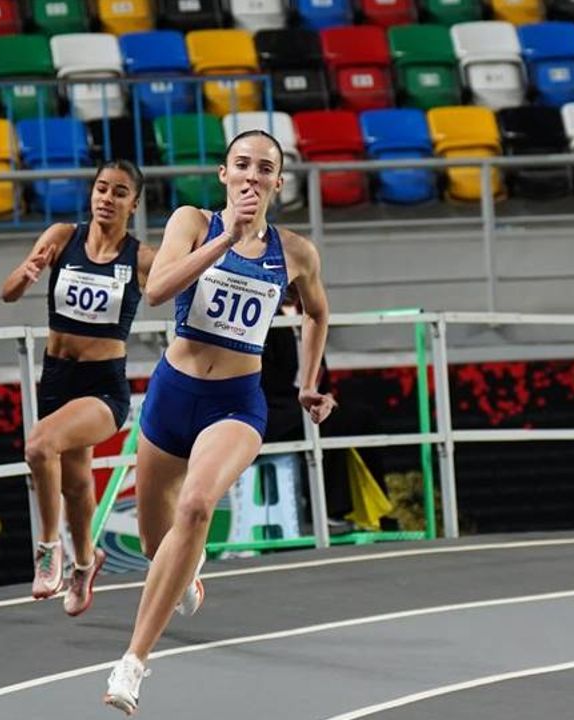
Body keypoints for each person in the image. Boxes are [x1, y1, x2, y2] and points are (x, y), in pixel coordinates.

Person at [103, 130, 335, 715]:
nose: (253, 175)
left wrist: (307, 382)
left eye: (265, 168)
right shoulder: (192, 222)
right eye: (242, 165)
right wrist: (227, 238)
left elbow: (317, 312)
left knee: (196, 506)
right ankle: (185, 571)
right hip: (171, 395)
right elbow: (157, 291)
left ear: (278, 181)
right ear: (224, 174)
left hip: (235, 403)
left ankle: (133, 662)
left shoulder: (296, 253)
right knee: (158, 546)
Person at [1, 159, 154, 617]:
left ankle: (49, 548)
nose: (107, 198)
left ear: (134, 204)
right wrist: (26, 274)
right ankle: (86, 564)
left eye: (120, 192)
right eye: (102, 188)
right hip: (56, 378)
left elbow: (182, 286)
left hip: (102, 387)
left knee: (39, 446)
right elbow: (8, 293)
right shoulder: (62, 237)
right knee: (76, 483)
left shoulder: (141, 259)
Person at [261, 285, 387, 535]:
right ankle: (330, 511)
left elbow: (321, 372)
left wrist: (326, 397)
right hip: (275, 411)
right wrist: (309, 401)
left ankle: (376, 508)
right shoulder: (266, 320)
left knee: (363, 417)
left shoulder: (310, 316)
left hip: (306, 403)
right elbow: (267, 383)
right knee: (328, 421)